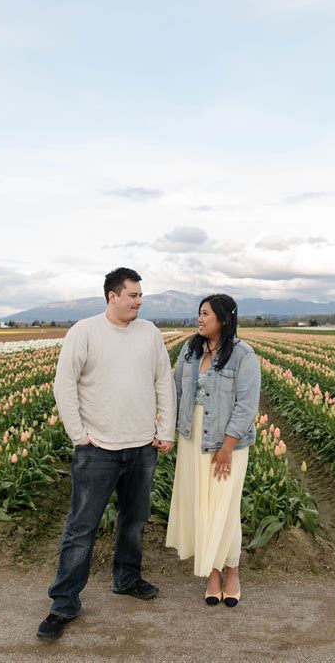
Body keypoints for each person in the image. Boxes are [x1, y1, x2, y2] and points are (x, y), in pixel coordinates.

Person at [37, 267, 176, 640]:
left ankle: (126, 578)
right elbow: (63, 383)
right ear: (112, 296)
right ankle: (64, 602)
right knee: (82, 527)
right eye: (133, 295)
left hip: (142, 446)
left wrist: (165, 430)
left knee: (134, 520)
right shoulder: (85, 331)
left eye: (140, 295)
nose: (139, 301)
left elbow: (164, 379)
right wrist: (78, 435)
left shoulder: (149, 334)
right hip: (98, 449)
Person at [166, 294, 260, 607]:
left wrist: (227, 446)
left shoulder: (243, 355)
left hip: (226, 442)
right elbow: (176, 390)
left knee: (225, 506)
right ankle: (214, 574)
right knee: (203, 505)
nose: (200, 319)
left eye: (205, 314)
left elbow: (247, 405)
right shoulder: (190, 351)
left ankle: (232, 572)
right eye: (199, 313)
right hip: (193, 439)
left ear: (223, 319)